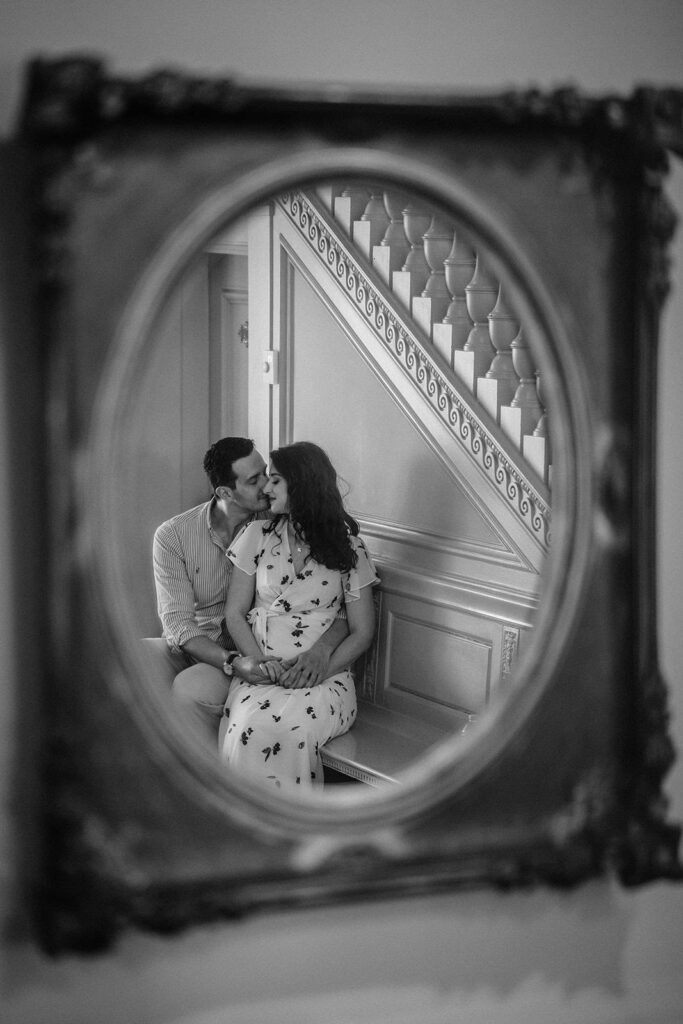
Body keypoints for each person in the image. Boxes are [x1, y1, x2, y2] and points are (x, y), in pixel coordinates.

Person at [145, 436, 347, 747]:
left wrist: (241, 661)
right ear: (225, 492)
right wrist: (230, 660)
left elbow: (335, 599)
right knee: (118, 662)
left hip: (247, 651)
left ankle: (209, 786)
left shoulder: (278, 520)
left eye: (267, 473)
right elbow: (178, 625)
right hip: (196, 644)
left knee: (189, 690)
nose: (267, 485)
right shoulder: (174, 535)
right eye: (255, 480)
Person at [219, 441, 378, 791]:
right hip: (264, 674)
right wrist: (259, 663)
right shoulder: (256, 536)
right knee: (249, 726)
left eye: (275, 480)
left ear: (301, 485)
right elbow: (234, 614)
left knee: (292, 730)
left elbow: (362, 630)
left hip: (326, 679)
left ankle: (295, 833)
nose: (266, 487)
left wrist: (323, 667)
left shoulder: (349, 548)